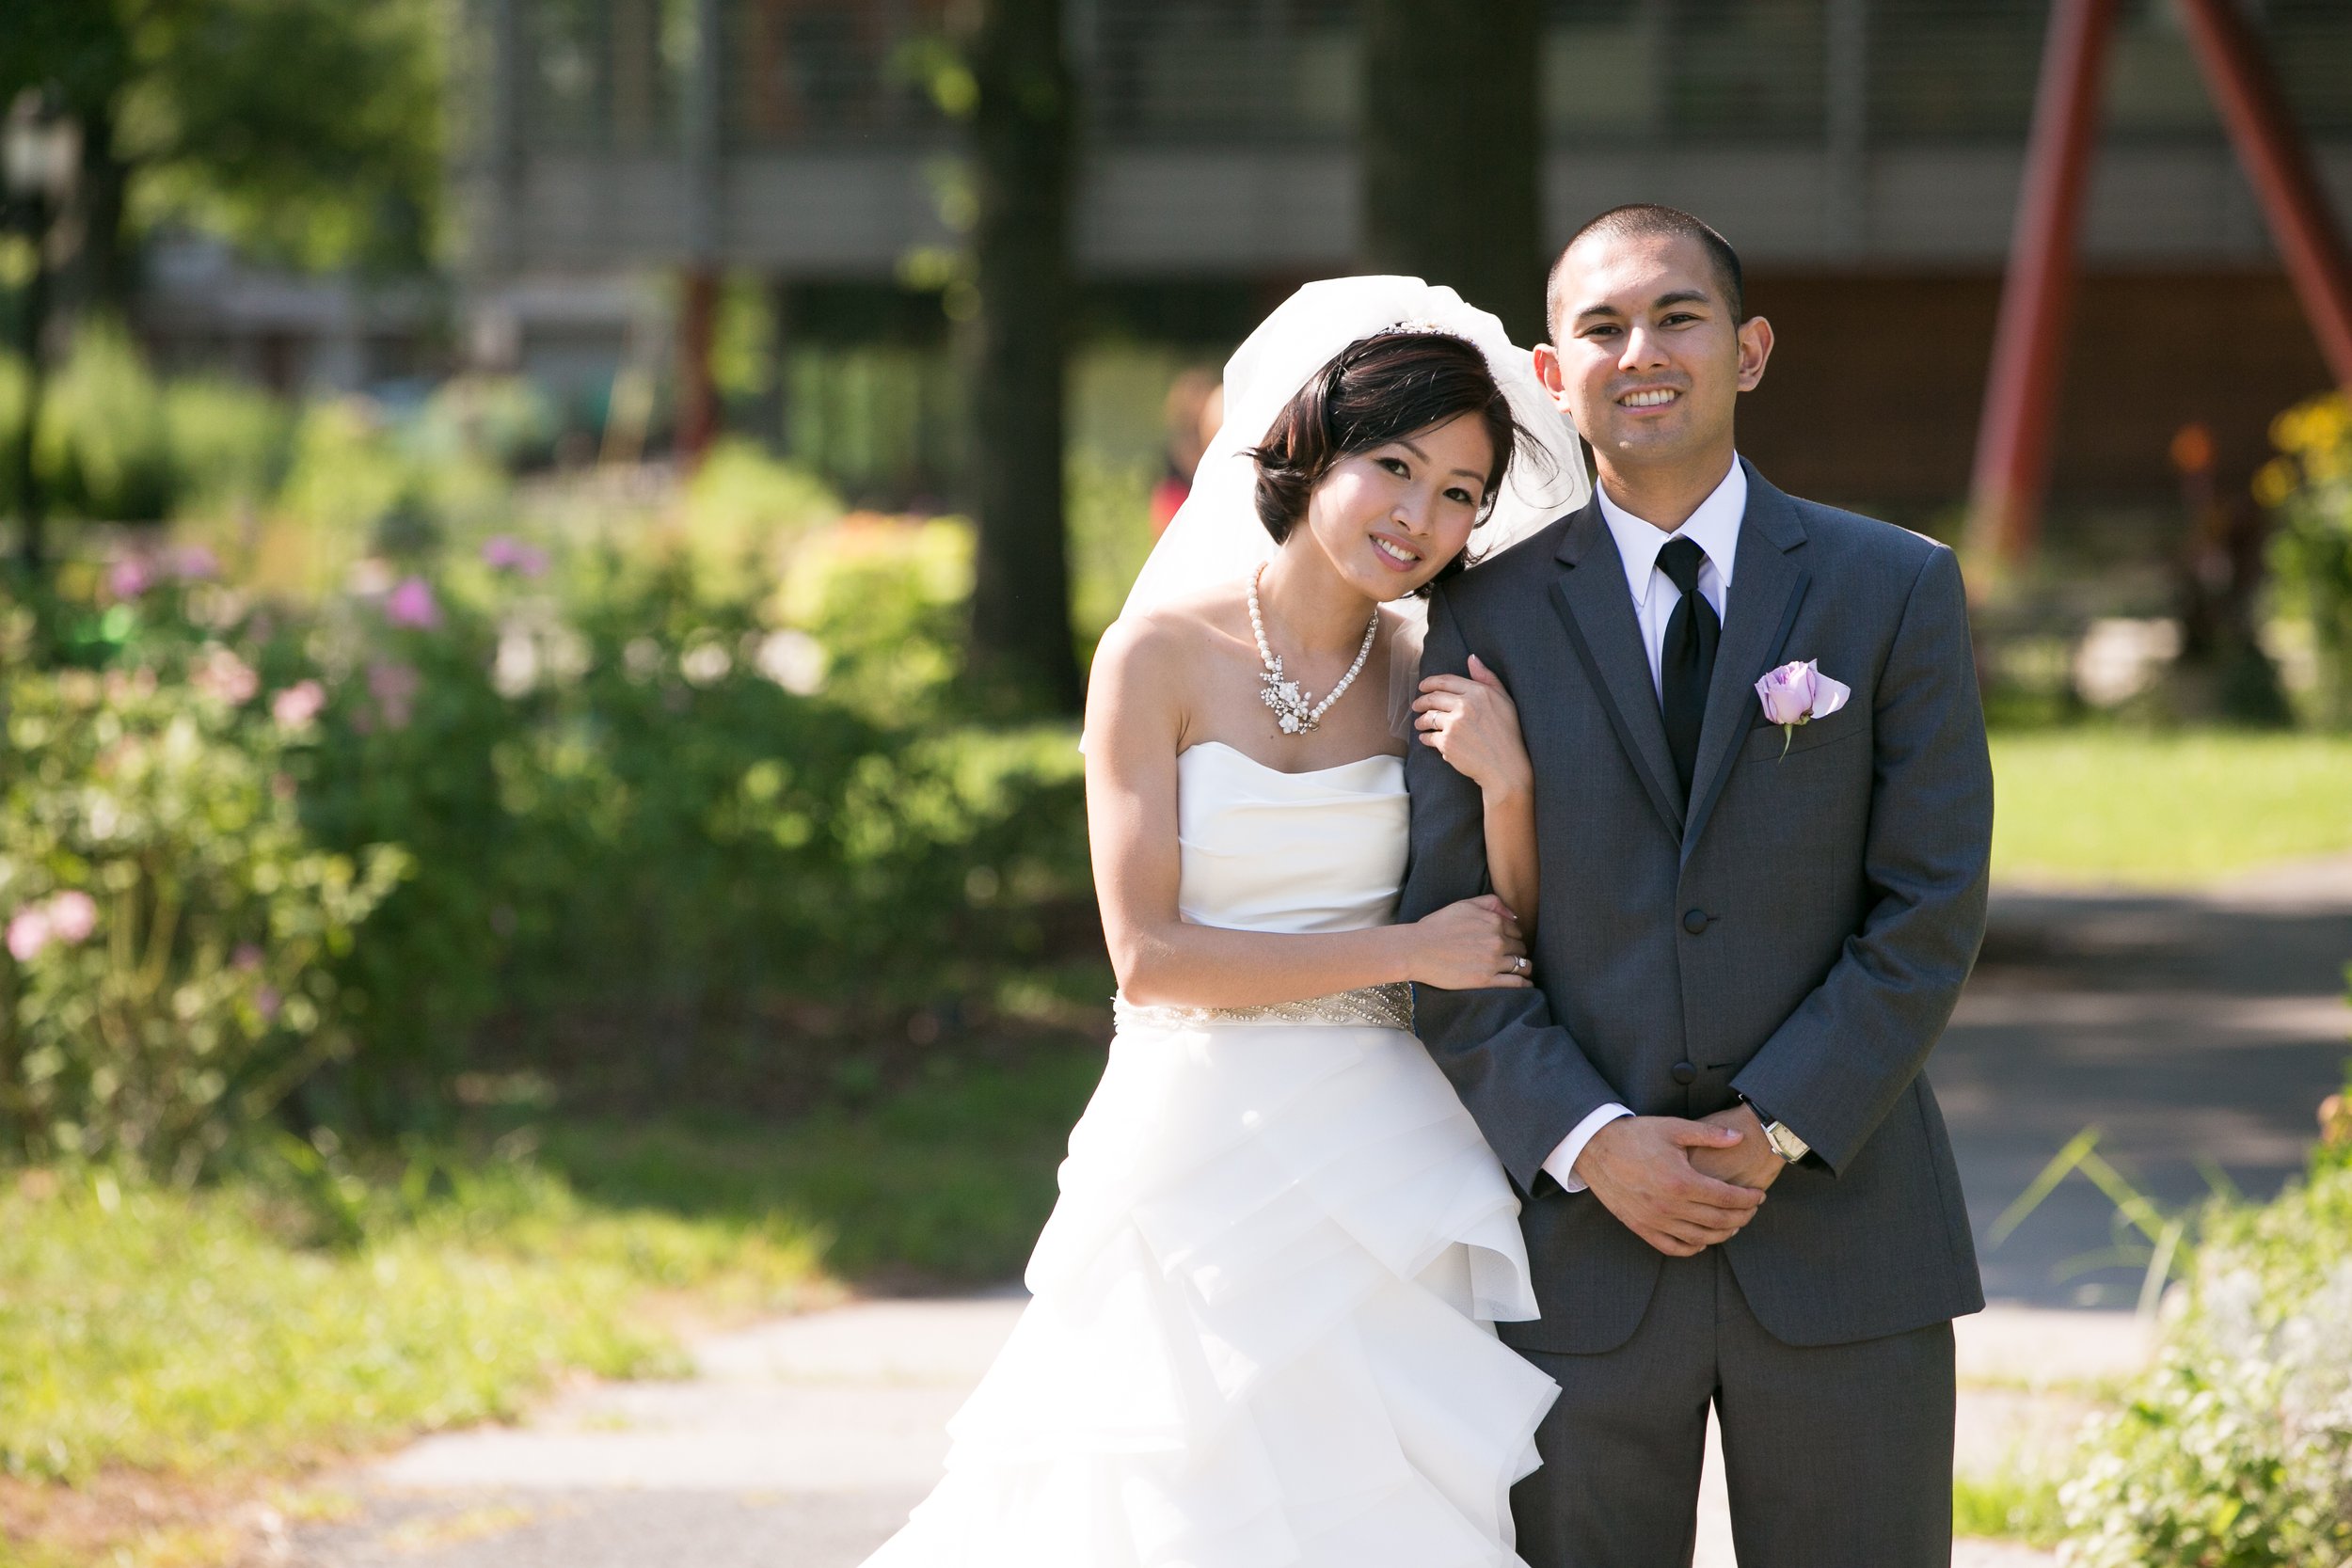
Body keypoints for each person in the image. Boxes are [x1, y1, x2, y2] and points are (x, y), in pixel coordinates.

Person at [859, 277, 1589, 1568]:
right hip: (1199, 1137)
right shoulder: (1155, 657)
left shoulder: (1434, 671)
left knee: (1377, 1503)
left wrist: (1511, 785)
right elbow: (1149, 956)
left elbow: (1500, 936)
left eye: (1463, 493)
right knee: (1166, 1495)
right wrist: (1404, 953)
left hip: (1384, 1149)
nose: (1421, 516)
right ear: (1313, 447)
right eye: (1395, 466)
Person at [1402, 204, 1994, 1567]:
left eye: (1678, 316)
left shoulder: (1892, 586)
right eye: (1600, 328)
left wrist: (1775, 1125)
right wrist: (1591, 1138)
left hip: (1846, 1232)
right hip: (1576, 1256)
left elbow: (1930, 904)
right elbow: (1448, 940)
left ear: (1752, 350)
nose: (1640, 351)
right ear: (1552, 377)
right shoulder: (1475, 612)